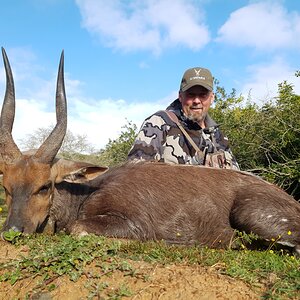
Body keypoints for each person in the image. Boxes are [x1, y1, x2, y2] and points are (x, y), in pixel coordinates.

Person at [128, 67, 239, 169]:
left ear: (212, 98)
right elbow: (134, 174)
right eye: (191, 95)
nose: (196, 101)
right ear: (180, 96)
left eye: (203, 95)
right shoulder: (159, 123)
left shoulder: (219, 136)